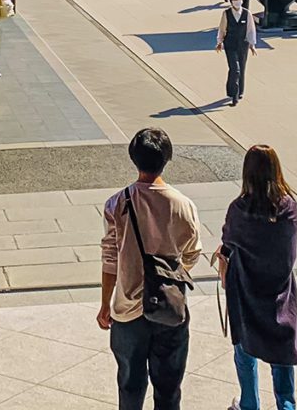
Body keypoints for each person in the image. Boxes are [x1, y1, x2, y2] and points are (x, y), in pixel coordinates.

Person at [98, 128, 202, 410]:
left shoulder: (117, 203)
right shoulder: (183, 205)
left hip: (128, 306)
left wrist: (105, 303)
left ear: (134, 159)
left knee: (130, 385)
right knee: (168, 388)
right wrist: (170, 273)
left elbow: (110, 259)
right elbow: (193, 251)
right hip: (169, 305)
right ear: (166, 159)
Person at [216, 146, 297, 410]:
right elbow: (288, 253)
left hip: (246, 290)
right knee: (282, 358)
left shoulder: (239, 209)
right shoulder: (289, 208)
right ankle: (287, 406)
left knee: (244, 351)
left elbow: (228, 239)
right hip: (279, 293)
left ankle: (249, 404)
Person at [216, 0, 257, 106]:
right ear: (231, 1)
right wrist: (219, 42)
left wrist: (252, 44)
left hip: (242, 45)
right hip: (230, 44)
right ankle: (234, 96)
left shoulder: (247, 13)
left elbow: (250, 30)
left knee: (241, 69)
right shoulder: (226, 13)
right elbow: (222, 29)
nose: (237, 1)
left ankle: (238, 92)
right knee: (235, 68)